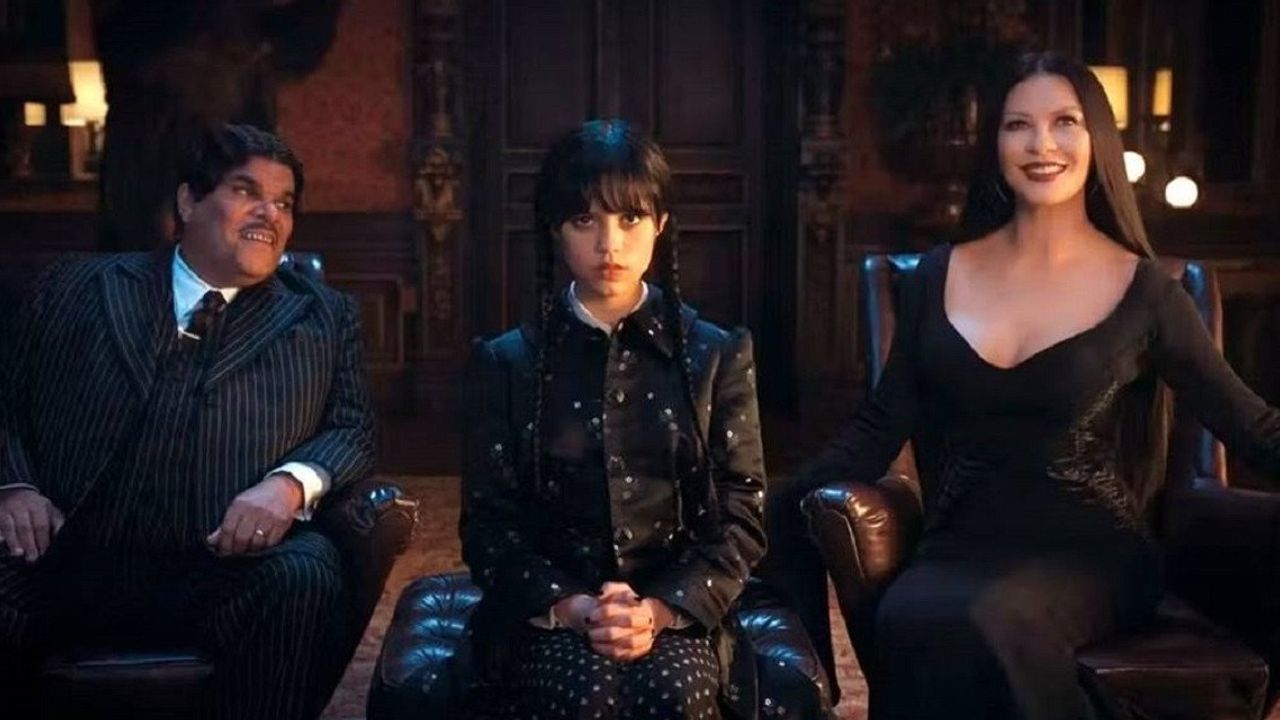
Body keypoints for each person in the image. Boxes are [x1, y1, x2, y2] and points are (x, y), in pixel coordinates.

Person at [761, 51, 1280, 720]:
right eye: (1017, 125)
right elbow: (876, 429)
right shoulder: (934, 277)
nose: (1041, 144)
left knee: (995, 619)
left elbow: (1251, 424)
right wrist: (766, 501)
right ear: (995, 143)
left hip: (1093, 553)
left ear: (1097, 139)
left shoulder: (1147, 292)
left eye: (1065, 122)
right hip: (960, 546)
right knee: (910, 617)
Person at [0, 124, 376, 720]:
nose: (269, 213)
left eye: (283, 203)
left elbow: (352, 428)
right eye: (246, 191)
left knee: (305, 574)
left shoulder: (324, 317)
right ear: (188, 201)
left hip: (219, 567)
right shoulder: (76, 286)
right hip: (65, 555)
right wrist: (12, 485)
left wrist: (290, 484)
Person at [460, 119, 767, 720]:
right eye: (585, 220)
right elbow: (489, 526)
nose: (610, 244)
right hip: (552, 607)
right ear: (555, 230)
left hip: (679, 606)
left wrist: (658, 610)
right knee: (581, 697)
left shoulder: (716, 353)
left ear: (661, 224)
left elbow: (743, 517)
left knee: (675, 693)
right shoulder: (506, 363)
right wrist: (573, 607)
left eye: (630, 219)